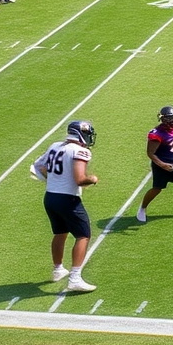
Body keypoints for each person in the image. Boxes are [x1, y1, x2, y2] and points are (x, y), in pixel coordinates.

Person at [32, 120, 99, 292]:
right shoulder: (80, 151)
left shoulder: (55, 146)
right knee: (83, 234)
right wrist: (92, 179)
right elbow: (80, 179)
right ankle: (75, 278)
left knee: (60, 233)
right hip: (68, 200)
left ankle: (58, 269)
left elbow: (38, 167)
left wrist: (54, 180)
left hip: (50, 197)